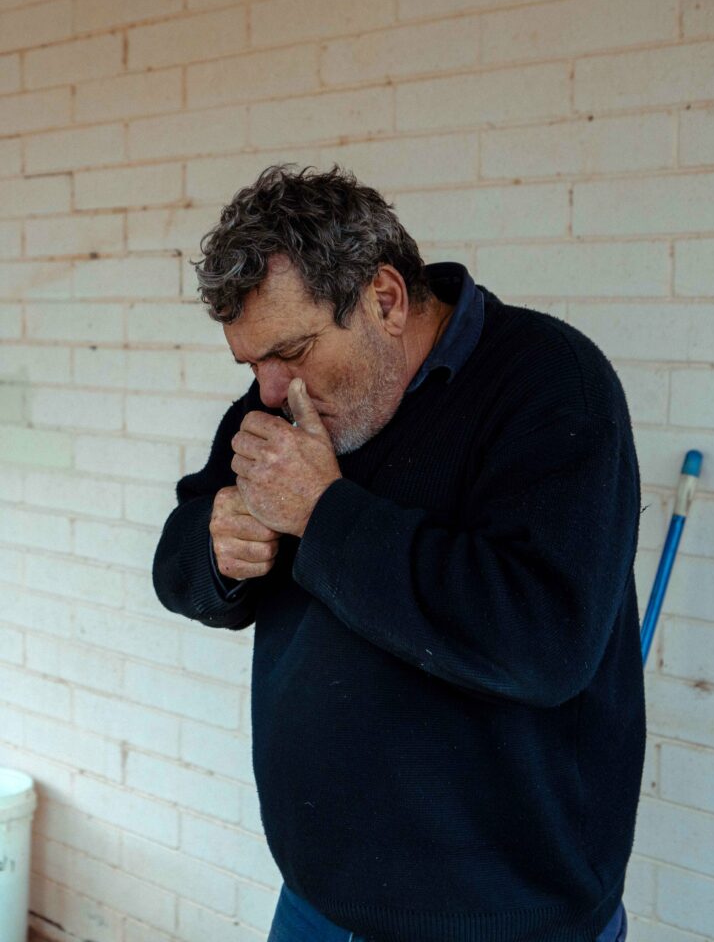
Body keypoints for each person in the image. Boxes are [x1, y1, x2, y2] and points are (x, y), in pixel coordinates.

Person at [152, 164, 644, 942]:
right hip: (315, 900)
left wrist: (323, 513)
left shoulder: (551, 385)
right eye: (251, 365)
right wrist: (214, 545)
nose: (271, 390)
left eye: (293, 350)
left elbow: (545, 640)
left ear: (385, 298)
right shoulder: (282, 402)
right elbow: (180, 559)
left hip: (505, 919)